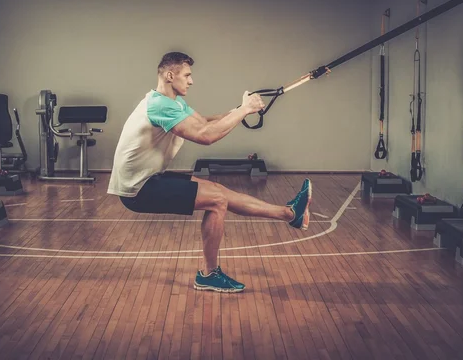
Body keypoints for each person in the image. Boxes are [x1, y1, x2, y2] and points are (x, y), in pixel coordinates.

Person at [107, 51, 312, 293]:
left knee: (219, 192)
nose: (191, 81)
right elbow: (206, 136)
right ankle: (209, 274)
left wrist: (241, 109)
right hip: (138, 190)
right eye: (187, 75)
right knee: (217, 201)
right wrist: (243, 111)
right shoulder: (160, 106)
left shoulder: (172, 101)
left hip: (148, 179)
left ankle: (290, 214)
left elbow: (203, 122)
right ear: (170, 75)